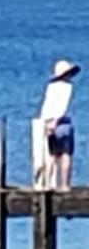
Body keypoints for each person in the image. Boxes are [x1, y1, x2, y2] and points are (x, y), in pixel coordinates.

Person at [40, 59, 80, 190]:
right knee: (66, 154)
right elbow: (63, 107)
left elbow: (46, 107)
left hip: (50, 121)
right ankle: (64, 184)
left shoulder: (51, 87)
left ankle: (47, 183)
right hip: (63, 122)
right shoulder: (68, 87)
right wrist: (55, 121)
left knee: (52, 154)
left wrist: (46, 123)